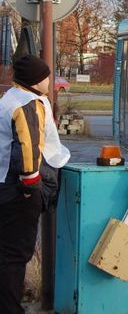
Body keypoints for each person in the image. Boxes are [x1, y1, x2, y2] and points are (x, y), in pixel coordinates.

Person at [0, 55, 70, 314]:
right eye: (46, 76)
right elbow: (29, 146)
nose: (49, 81)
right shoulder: (29, 103)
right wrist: (32, 186)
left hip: (4, 183)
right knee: (16, 255)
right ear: (35, 80)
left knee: (7, 252)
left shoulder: (10, 98)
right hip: (18, 190)